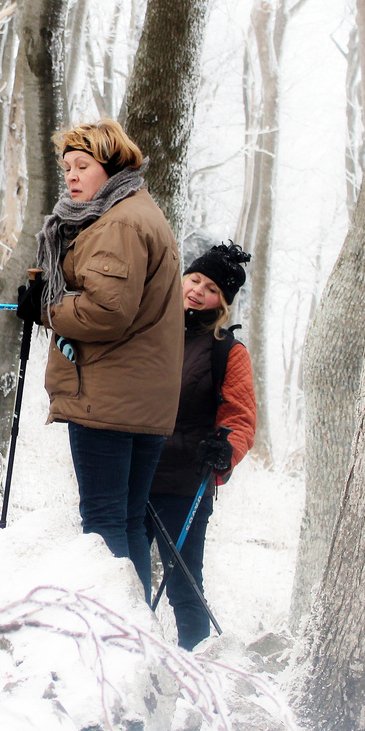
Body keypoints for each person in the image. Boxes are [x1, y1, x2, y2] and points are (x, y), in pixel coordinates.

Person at [15, 119, 183, 602]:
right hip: (139, 397)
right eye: (67, 166)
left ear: (111, 167)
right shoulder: (135, 212)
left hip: (108, 396)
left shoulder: (120, 222)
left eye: (82, 165)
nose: (71, 175)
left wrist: (45, 306)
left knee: (105, 521)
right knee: (126, 520)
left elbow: (106, 311)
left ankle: (114, 633)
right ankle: (135, 635)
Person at [144, 241, 257, 650]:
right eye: (194, 279)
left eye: (211, 288)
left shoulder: (228, 349)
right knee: (123, 579)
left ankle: (195, 667)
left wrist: (224, 450)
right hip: (133, 472)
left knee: (184, 585)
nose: (197, 290)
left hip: (185, 483)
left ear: (222, 302)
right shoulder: (149, 327)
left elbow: (240, 417)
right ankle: (129, 665)